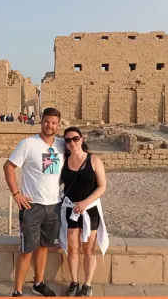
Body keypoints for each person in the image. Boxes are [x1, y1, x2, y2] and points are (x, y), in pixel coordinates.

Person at [3, 107, 65, 297]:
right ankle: (18, 290)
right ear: (41, 121)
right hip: (32, 206)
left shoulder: (62, 144)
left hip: (54, 205)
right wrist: (16, 194)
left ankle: (39, 283)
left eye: (54, 123)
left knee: (44, 247)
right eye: (47, 121)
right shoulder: (28, 144)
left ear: (58, 124)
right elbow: (9, 166)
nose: (50, 125)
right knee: (27, 249)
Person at [60, 127, 109, 297]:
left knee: (89, 250)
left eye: (75, 138)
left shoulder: (93, 160)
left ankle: (87, 284)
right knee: (72, 249)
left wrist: (85, 203)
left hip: (89, 211)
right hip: (70, 210)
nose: (72, 142)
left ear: (81, 139)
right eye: (67, 140)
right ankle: (74, 282)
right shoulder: (64, 161)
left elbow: (102, 186)